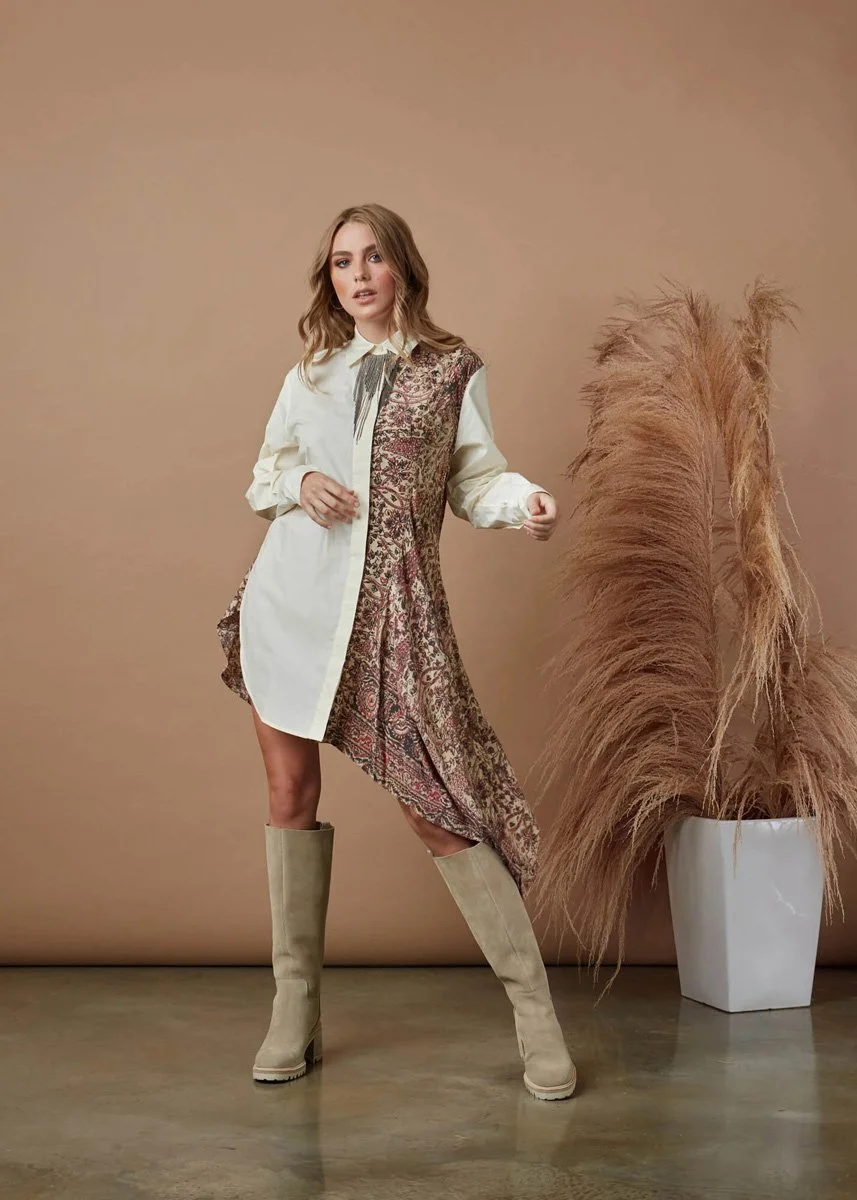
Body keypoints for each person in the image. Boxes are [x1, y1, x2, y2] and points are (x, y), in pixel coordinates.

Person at [216, 203, 576, 1102]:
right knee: (289, 794)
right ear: (330, 280)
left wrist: (522, 500)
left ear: (403, 268)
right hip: (292, 603)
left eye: (373, 258)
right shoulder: (311, 372)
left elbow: (476, 476)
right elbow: (265, 473)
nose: (358, 275)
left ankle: (535, 1014)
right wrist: (298, 481)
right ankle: (293, 1010)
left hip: (395, 615)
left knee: (438, 808)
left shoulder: (453, 369)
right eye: (341, 263)